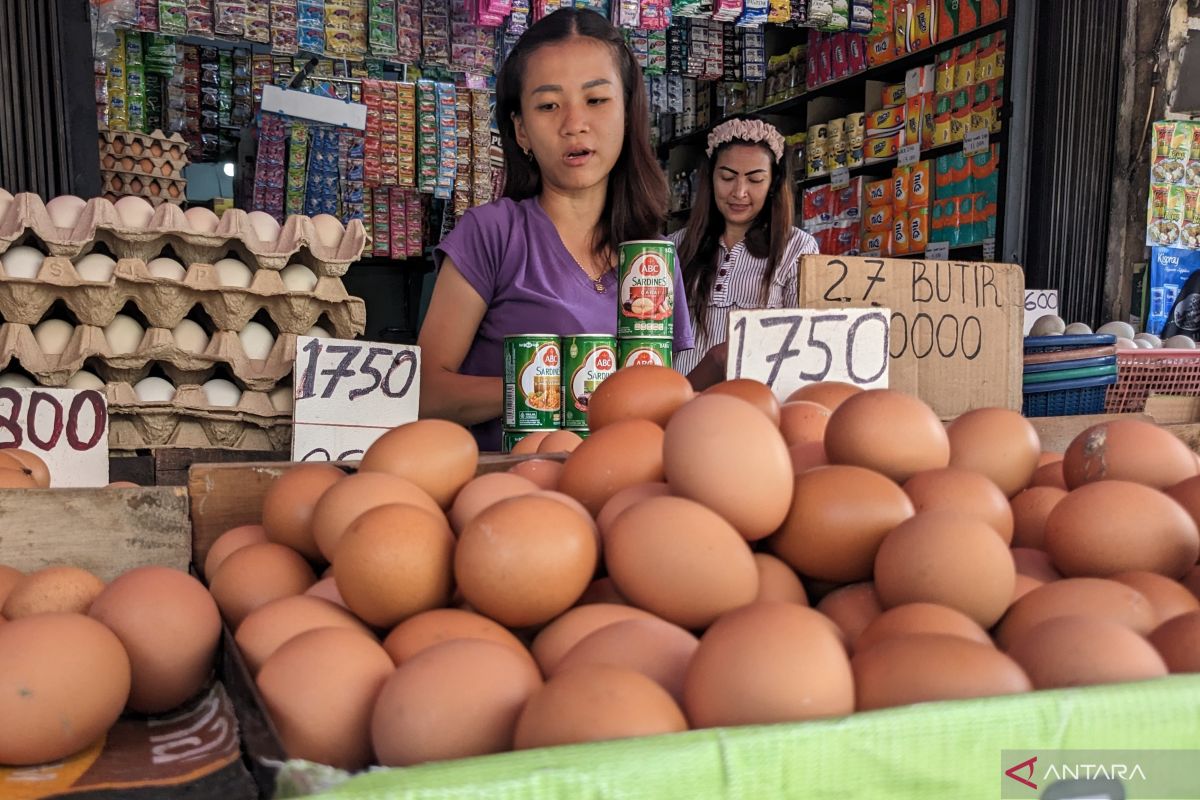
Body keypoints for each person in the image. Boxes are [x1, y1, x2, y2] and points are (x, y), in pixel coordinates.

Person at [417, 8, 694, 450]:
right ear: (521, 129)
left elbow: (661, 399)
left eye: (597, 100)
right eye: (548, 105)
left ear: (627, 112)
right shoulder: (491, 235)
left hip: (621, 493)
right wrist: (567, 389)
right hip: (511, 493)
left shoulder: (652, 260)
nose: (574, 124)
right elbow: (424, 393)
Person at [672, 115, 818, 390]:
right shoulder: (675, 247)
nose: (739, 192)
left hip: (754, 412)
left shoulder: (797, 248)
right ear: (711, 179)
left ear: (773, 184)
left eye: (755, 180)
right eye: (727, 177)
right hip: (676, 409)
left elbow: (804, 347)